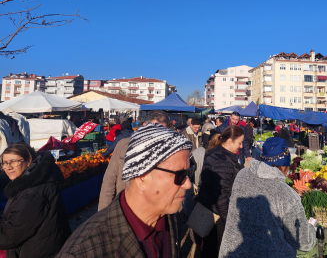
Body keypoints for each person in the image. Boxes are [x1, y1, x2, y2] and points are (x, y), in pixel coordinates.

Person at [57, 124, 192, 258]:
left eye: (189, 172)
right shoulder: (81, 251)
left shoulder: (170, 218)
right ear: (142, 176)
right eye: (180, 175)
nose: (188, 184)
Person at [218, 137, 316, 258]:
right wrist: (312, 228)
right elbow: (303, 243)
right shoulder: (285, 193)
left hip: (233, 253)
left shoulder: (242, 175)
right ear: (284, 166)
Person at [0, 143, 71, 257]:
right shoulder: (33, 182)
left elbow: (7, 237)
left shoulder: (32, 195)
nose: (8, 166)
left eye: (14, 161)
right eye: (5, 163)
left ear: (28, 161)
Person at [98, 110, 169, 211]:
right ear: (144, 126)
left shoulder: (168, 152)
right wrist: (103, 213)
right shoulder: (123, 145)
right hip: (124, 209)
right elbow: (109, 182)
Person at [197, 125, 244, 257]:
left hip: (212, 210)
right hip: (217, 216)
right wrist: (228, 219)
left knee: (209, 248)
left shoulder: (219, 154)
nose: (240, 147)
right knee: (215, 249)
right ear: (230, 141)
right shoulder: (222, 161)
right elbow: (221, 197)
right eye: (239, 143)